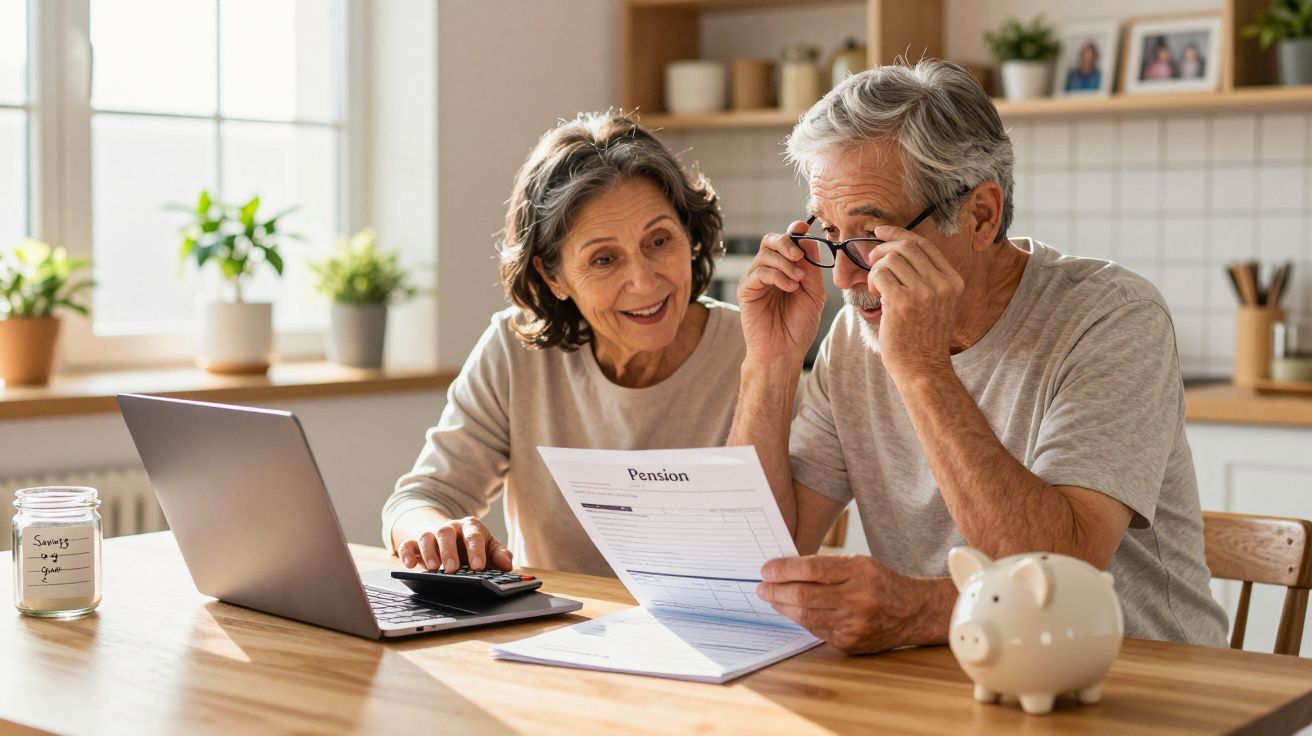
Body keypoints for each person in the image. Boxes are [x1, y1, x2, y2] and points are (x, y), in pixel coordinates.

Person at [731, 59, 1229, 653]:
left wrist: (921, 369)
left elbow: (1055, 570)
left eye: (869, 237)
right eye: (830, 235)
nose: (843, 276)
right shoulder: (851, 342)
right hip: (944, 685)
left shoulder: (1112, 318)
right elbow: (753, 564)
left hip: (1131, 685)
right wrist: (771, 364)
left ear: (980, 215)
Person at [382, 111, 745, 577]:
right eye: (604, 259)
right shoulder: (514, 352)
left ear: (689, 236)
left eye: (659, 241)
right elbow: (420, 500)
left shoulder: (753, 350)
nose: (644, 280)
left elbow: (787, 535)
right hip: (555, 633)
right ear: (552, 276)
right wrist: (433, 533)